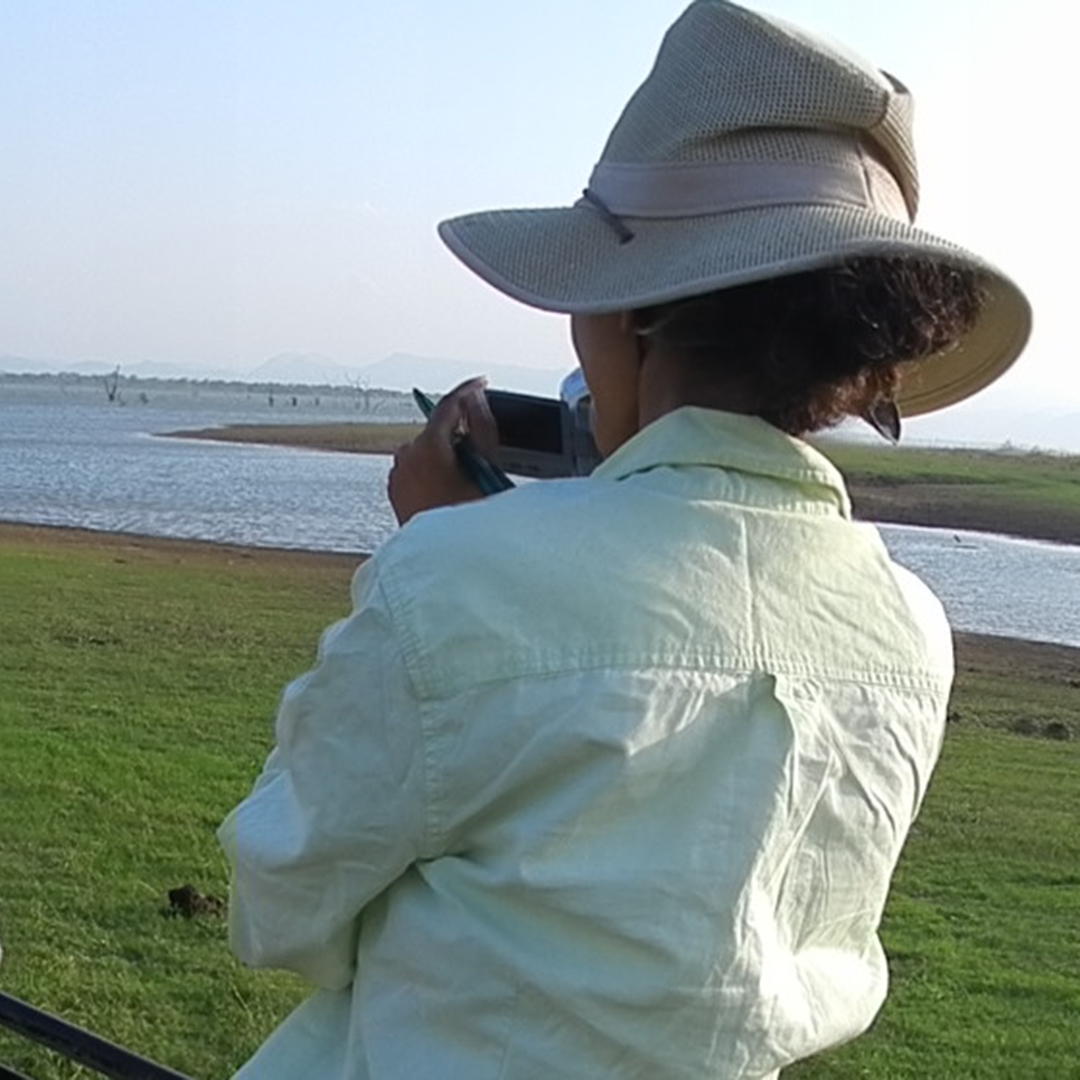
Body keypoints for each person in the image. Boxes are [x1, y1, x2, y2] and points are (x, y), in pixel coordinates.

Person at [218, 3, 1030, 1077]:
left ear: (629, 315)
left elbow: (280, 903)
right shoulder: (909, 627)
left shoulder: (459, 576)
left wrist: (451, 560)